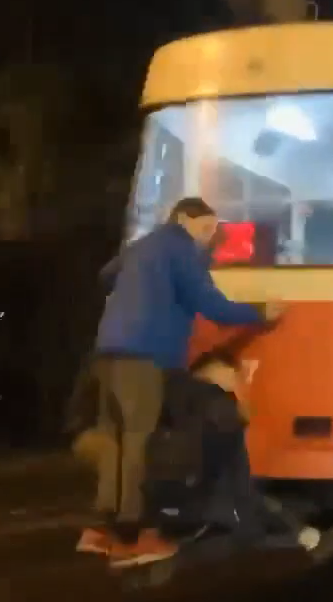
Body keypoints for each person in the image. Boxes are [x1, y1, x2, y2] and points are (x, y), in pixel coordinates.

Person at [76, 197, 283, 568]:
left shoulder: (144, 245)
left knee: (113, 438)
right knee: (138, 440)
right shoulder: (180, 248)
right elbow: (210, 303)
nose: (209, 237)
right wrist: (259, 312)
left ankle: (101, 529)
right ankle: (132, 533)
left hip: (107, 352)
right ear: (184, 219)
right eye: (206, 228)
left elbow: (105, 276)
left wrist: (139, 292)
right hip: (144, 355)